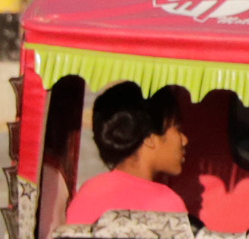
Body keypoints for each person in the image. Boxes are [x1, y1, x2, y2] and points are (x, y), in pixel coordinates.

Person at [64, 96, 199, 223]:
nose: (184, 140)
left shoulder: (88, 192)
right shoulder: (166, 203)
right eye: (178, 129)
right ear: (149, 138)